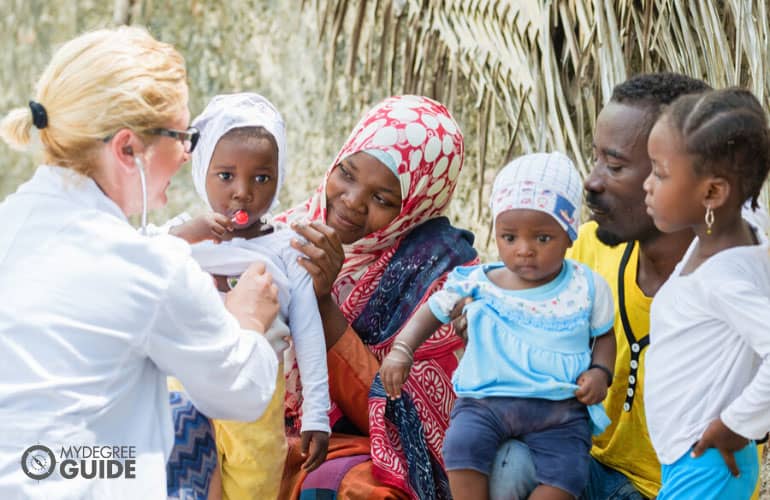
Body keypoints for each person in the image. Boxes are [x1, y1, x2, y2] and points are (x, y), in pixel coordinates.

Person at [0, 28, 280, 499]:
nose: (189, 153)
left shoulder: (10, 221)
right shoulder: (150, 268)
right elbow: (241, 393)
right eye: (183, 136)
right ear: (128, 148)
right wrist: (248, 322)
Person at [488, 73, 713, 499]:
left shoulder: (733, 287)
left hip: (674, 490)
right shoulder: (588, 250)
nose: (591, 181)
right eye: (596, 160)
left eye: (614, 166)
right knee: (506, 459)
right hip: (579, 465)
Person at [379, 152, 617, 500]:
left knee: (567, 473)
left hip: (560, 409)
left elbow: (604, 336)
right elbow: (434, 310)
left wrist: (600, 372)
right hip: (486, 402)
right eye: (509, 237)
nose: (524, 250)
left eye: (542, 238)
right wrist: (402, 349)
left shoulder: (587, 287)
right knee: (461, 447)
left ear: (569, 234)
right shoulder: (479, 281)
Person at [277, 95, 478, 499]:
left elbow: (403, 423)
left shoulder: (442, 277)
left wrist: (322, 301)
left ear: (417, 206)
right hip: (269, 427)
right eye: (346, 174)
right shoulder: (285, 236)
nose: (351, 201)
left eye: (382, 199)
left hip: (353, 448)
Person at [163, 92, 330, 500]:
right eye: (225, 175)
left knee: (252, 483)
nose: (243, 192)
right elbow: (137, 260)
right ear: (201, 170)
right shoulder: (180, 235)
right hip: (182, 386)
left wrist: (317, 415)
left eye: (262, 177)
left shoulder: (288, 249)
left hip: (255, 397)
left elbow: (308, 333)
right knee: (182, 477)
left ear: (279, 175)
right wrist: (187, 236)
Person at [643, 87, 770, 499]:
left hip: (710, 464)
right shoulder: (733, 227)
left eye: (659, 174)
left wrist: (736, 423)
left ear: (713, 193)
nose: (647, 185)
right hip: (691, 460)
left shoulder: (723, 279)